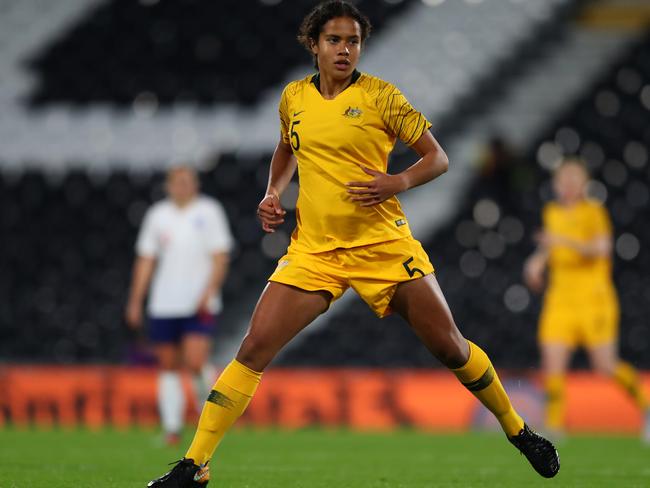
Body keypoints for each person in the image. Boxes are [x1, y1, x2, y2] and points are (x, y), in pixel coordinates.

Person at [147, 2, 559, 485]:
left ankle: (518, 430)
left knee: (450, 347)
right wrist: (273, 192)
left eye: (353, 41)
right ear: (314, 45)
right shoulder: (293, 97)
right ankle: (194, 465)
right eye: (335, 40)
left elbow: (438, 158)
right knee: (253, 348)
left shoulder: (382, 97)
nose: (345, 49)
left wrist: (396, 182)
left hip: (382, 245)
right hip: (315, 251)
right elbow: (287, 148)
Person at [524, 158, 650, 440]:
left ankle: (647, 407)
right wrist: (537, 262)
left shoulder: (594, 212)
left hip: (594, 298)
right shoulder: (552, 212)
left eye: (573, 181)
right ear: (556, 185)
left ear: (583, 185)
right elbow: (551, 247)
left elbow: (602, 249)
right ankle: (554, 429)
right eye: (563, 181)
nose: (567, 186)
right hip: (560, 298)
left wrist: (561, 242)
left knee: (605, 366)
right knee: (552, 365)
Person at [126, 165, 233, 446]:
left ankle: (209, 422)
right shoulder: (157, 215)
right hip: (164, 302)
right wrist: (136, 300)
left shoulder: (209, 211)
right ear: (169, 185)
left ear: (195, 185)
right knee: (168, 365)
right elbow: (146, 260)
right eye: (177, 182)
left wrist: (208, 292)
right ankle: (172, 429)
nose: (183, 187)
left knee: (196, 362)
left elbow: (221, 257)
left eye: (187, 182)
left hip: (199, 302)